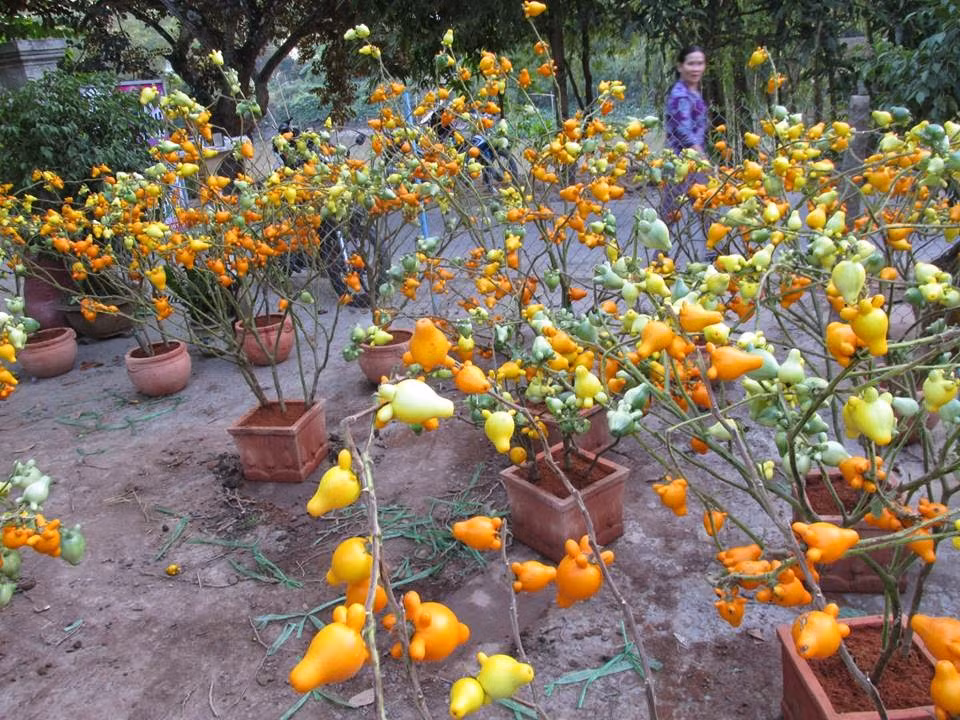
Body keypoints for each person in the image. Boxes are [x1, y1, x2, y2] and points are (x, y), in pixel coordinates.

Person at [661, 46, 708, 233]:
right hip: (680, 161)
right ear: (680, 66)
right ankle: (657, 260)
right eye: (691, 63)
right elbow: (683, 131)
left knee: (706, 209)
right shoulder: (680, 95)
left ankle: (715, 254)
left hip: (691, 162)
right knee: (670, 215)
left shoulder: (691, 91)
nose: (696, 68)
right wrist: (702, 158)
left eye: (700, 63)